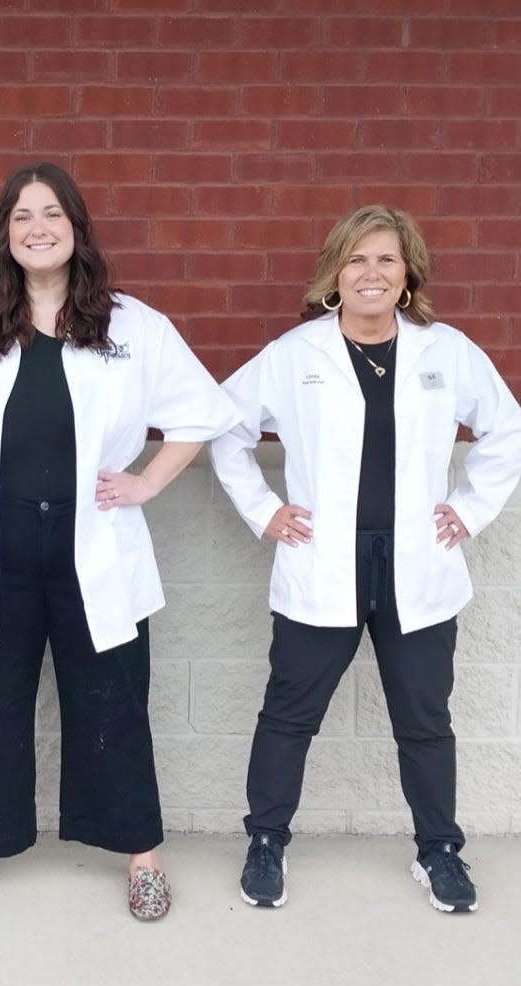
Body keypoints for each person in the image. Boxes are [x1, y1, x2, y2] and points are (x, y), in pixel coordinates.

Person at [0, 161, 239, 921]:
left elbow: (201, 412)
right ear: (5, 232)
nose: (38, 228)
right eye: (23, 216)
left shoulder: (130, 324)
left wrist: (147, 482)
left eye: (53, 214)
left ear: (76, 228)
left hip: (93, 542)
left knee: (114, 701)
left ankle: (142, 855)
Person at [210, 204, 521, 913]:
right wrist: (267, 511)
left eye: (385, 259)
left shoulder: (447, 352)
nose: (371, 273)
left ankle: (439, 851)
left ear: (406, 274)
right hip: (326, 562)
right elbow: (225, 428)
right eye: (357, 260)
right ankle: (265, 844)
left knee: (424, 720)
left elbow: (508, 431)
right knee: (290, 715)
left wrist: (468, 509)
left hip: (417, 564)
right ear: (335, 276)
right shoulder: (297, 356)